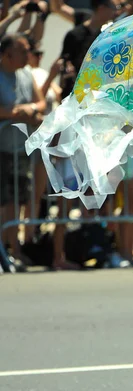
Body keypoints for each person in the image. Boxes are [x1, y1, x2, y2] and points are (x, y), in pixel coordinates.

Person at [0, 32, 46, 268]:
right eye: (22, 50)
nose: (27, 54)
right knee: (4, 202)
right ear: (7, 54)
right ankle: (5, 251)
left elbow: (41, 102)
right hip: (2, 148)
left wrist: (29, 108)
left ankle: (14, 250)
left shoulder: (27, 73)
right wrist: (15, 112)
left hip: (22, 148)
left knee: (17, 201)